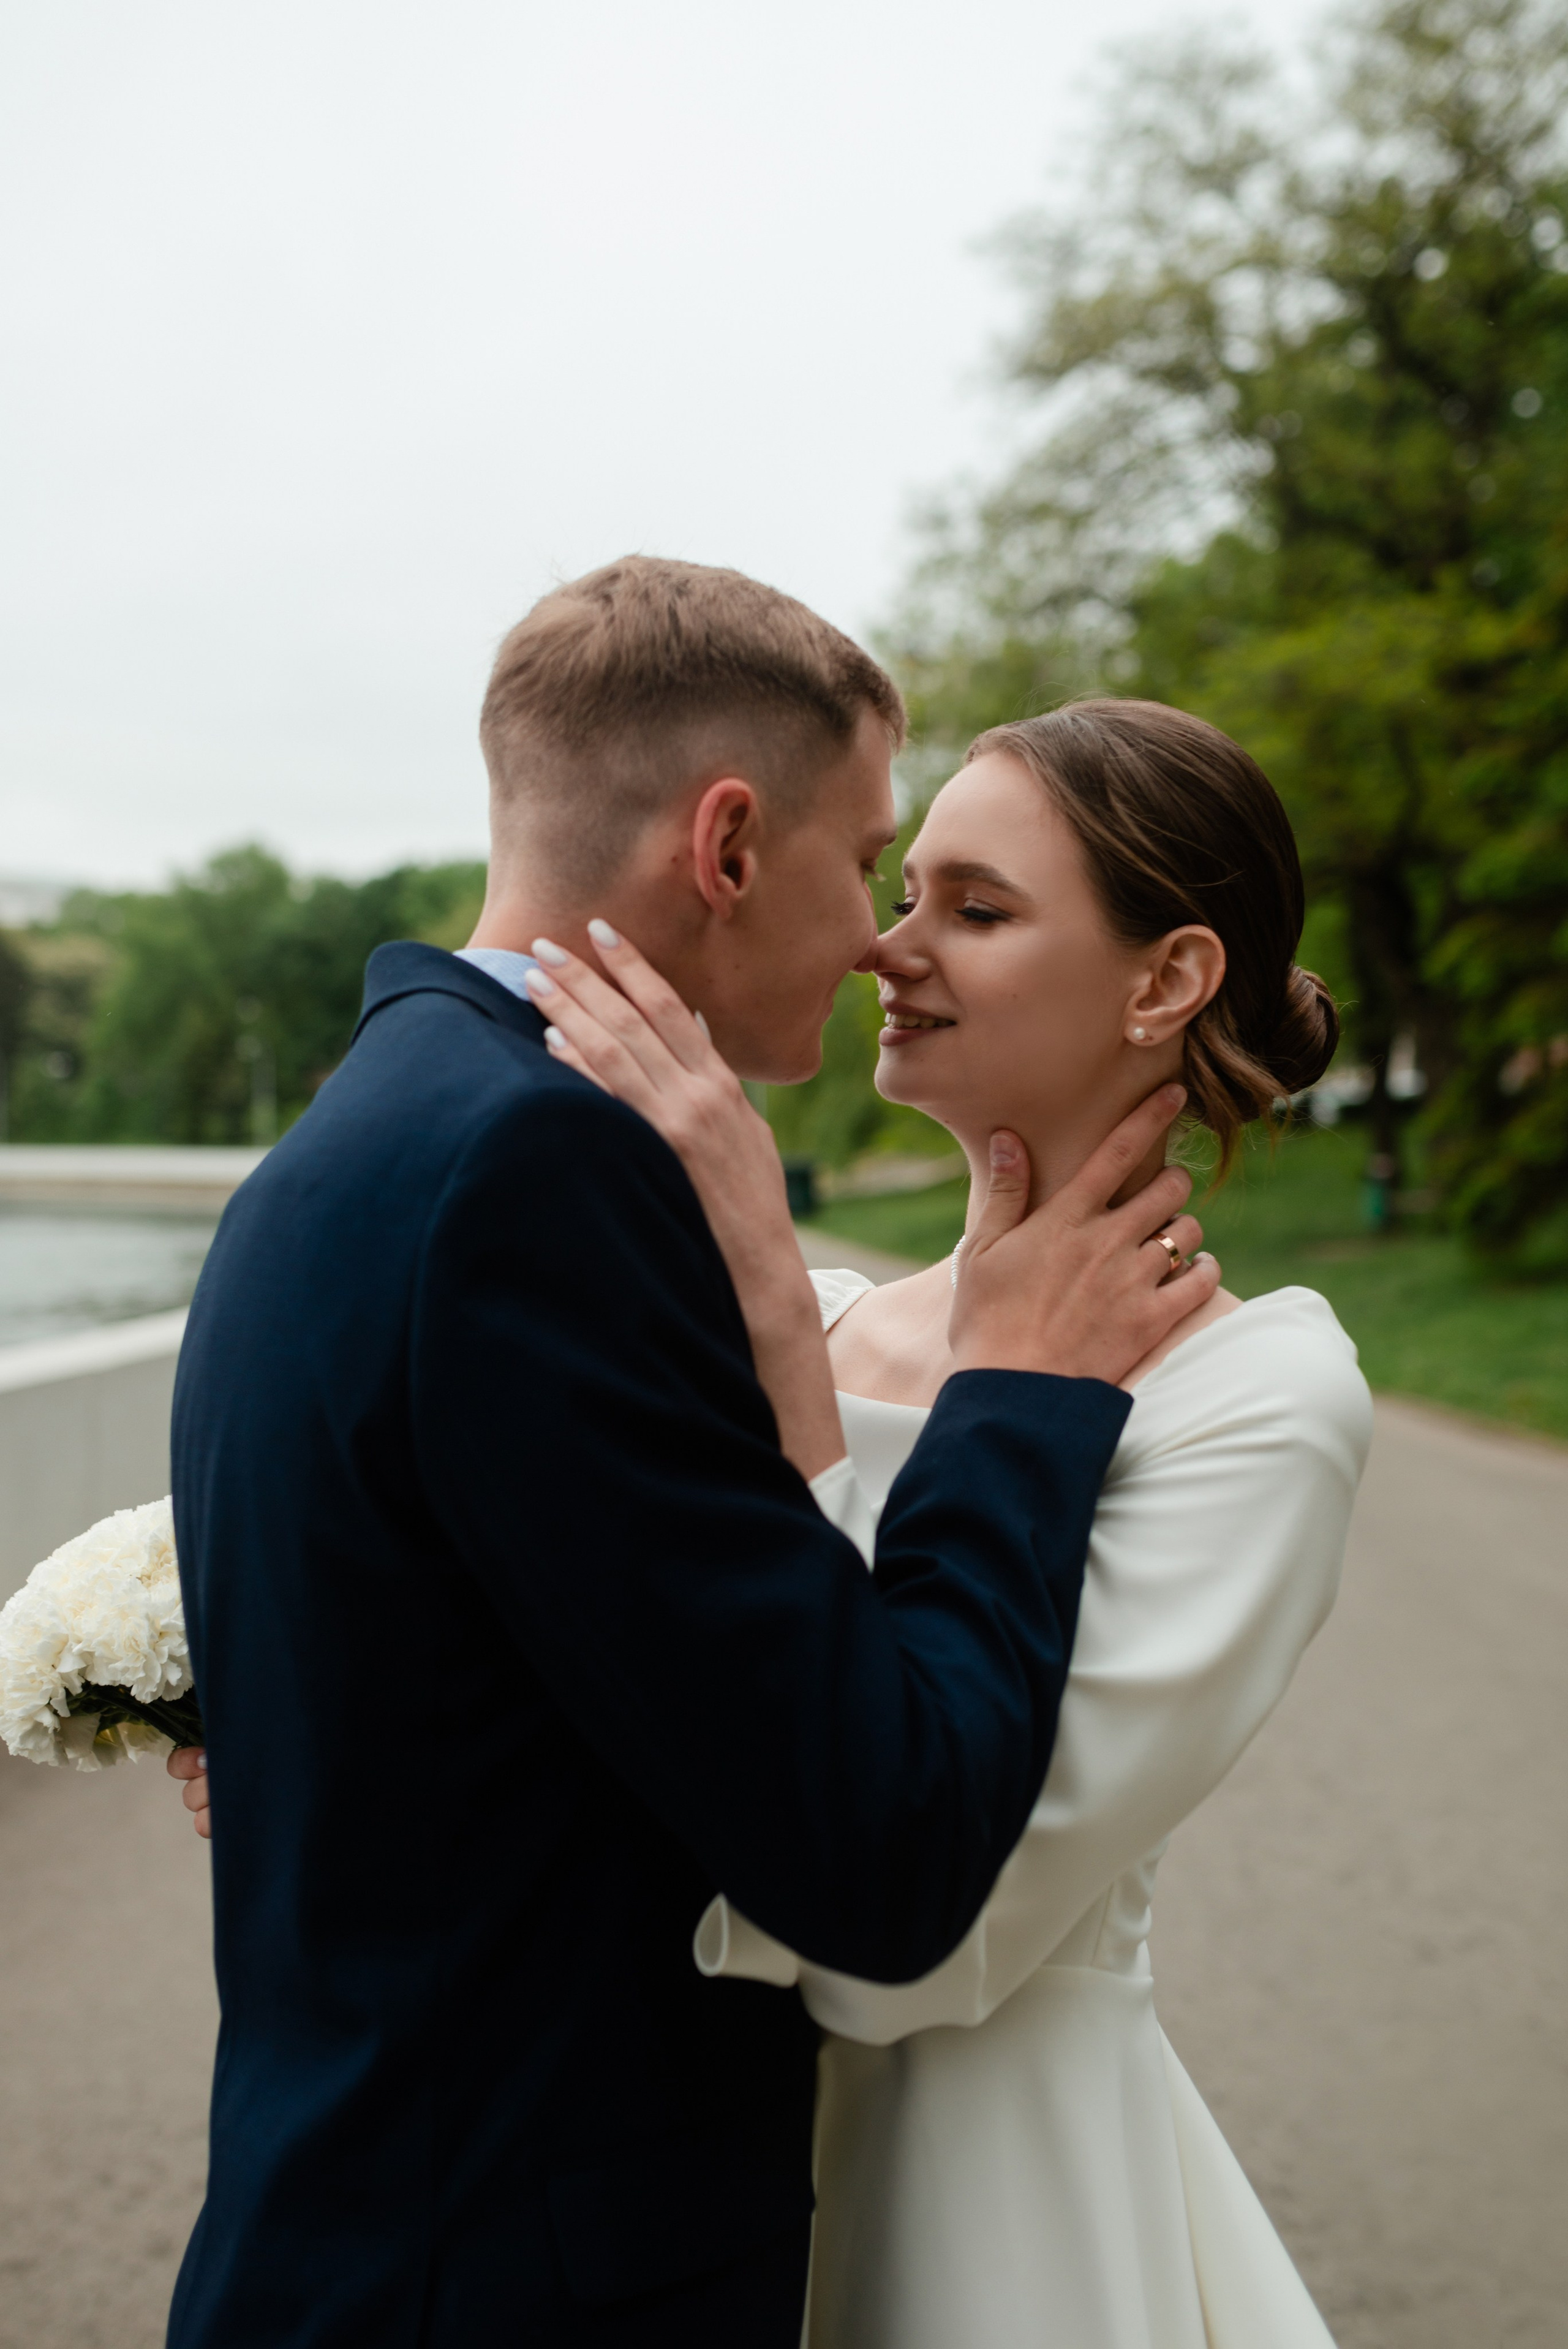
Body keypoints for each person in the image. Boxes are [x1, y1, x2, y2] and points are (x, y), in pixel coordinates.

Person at [161, 559, 1219, 2349]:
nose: (881, 937)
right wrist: (1021, 1400)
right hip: (507, 2288)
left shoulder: (367, 1126)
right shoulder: (541, 1180)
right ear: (727, 846)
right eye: (868, 860)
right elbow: (874, 1850)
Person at [529, 695, 1373, 2348]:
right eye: (902, 891)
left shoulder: (1260, 1397)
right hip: (661, 2177)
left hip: (983, 2210)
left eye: (974, 910)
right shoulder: (833, 1319)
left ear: (1167, 979)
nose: (884, 950)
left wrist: (773, 1303)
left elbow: (926, 1933)